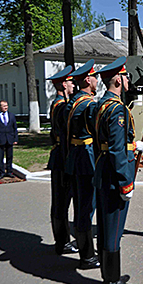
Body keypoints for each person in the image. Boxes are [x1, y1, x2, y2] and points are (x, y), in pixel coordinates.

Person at [93, 57, 143, 284]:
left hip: (103, 171)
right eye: (125, 76)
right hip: (115, 176)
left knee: (106, 227)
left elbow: (108, 144)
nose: (127, 80)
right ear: (117, 79)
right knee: (114, 229)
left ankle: (108, 274)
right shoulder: (117, 109)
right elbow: (116, 149)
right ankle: (112, 282)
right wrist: (126, 183)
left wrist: (132, 146)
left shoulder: (101, 105)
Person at [64, 59, 100, 270]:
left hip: (75, 158)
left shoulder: (72, 102)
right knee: (86, 209)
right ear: (88, 79)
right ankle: (87, 256)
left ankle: (83, 247)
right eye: (94, 77)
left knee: (80, 206)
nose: (97, 81)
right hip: (86, 161)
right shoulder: (89, 104)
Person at [46, 66, 78, 256]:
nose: (73, 84)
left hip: (59, 156)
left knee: (61, 201)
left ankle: (62, 240)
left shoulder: (59, 104)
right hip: (61, 158)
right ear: (63, 84)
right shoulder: (60, 106)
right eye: (70, 81)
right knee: (60, 202)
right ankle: (62, 241)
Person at [0, 100, 18, 179]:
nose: (6, 107)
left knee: (10, 156)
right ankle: (1, 172)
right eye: (4, 106)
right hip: (0, 139)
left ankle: (9, 171)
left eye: (6, 105)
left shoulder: (11, 115)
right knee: (1, 157)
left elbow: (15, 128)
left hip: (10, 138)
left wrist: (15, 138)